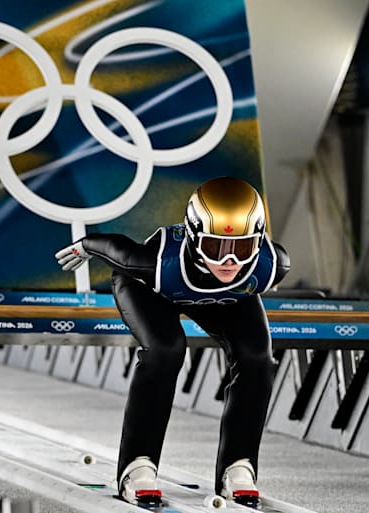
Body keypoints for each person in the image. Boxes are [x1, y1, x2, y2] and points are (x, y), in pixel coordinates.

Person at [54, 177, 290, 507]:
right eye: (214, 248)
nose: (228, 262)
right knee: (165, 350)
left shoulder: (271, 264)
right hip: (151, 290)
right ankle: (136, 466)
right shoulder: (158, 262)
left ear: (259, 241)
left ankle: (239, 466)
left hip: (228, 297)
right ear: (194, 239)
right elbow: (116, 248)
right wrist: (85, 246)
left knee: (257, 357)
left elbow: (236, 276)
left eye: (241, 248)